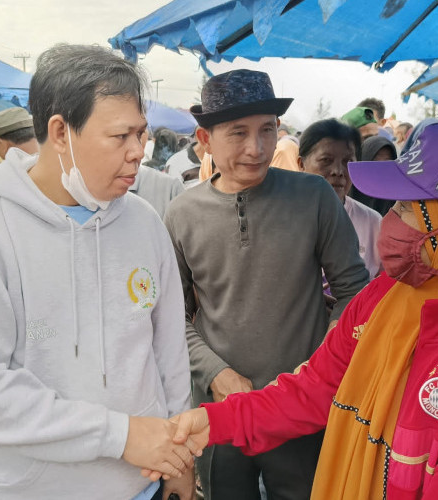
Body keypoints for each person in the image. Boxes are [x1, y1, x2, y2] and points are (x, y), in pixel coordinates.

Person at [168, 122, 438, 499]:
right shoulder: (383, 297)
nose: (388, 220)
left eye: (406, 207)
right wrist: (213, 421)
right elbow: (313, 389)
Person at [0, 44, 194, 500]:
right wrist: (119, 435)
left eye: (142, 135)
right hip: (25, 489)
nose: (137, 153)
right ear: (60, 131)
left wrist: (179, 456)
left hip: (139, 486)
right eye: (120, 136)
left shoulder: (144, 221)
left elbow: (168, 352)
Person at [163, 69, 369, 500]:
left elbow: (354, 291)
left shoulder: (313, 197)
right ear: (204, 138)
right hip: (220, 411)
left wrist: (320, 367)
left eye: (267, 130)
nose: (256, 149)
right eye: (238, 133)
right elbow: (171, 316)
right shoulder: (181, 214)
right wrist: (215, 373)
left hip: (302, 412)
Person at [297, 119, 382, 280]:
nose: (338, 171)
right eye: (326, 161)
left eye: (347, 162)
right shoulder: (281, 217)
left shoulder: (372, 223)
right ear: (301, 164)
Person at [349, 135, 399, 216]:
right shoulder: (349, 190)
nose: (381, 169)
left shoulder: (399, 198)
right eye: (375, 162)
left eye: (387, 162)